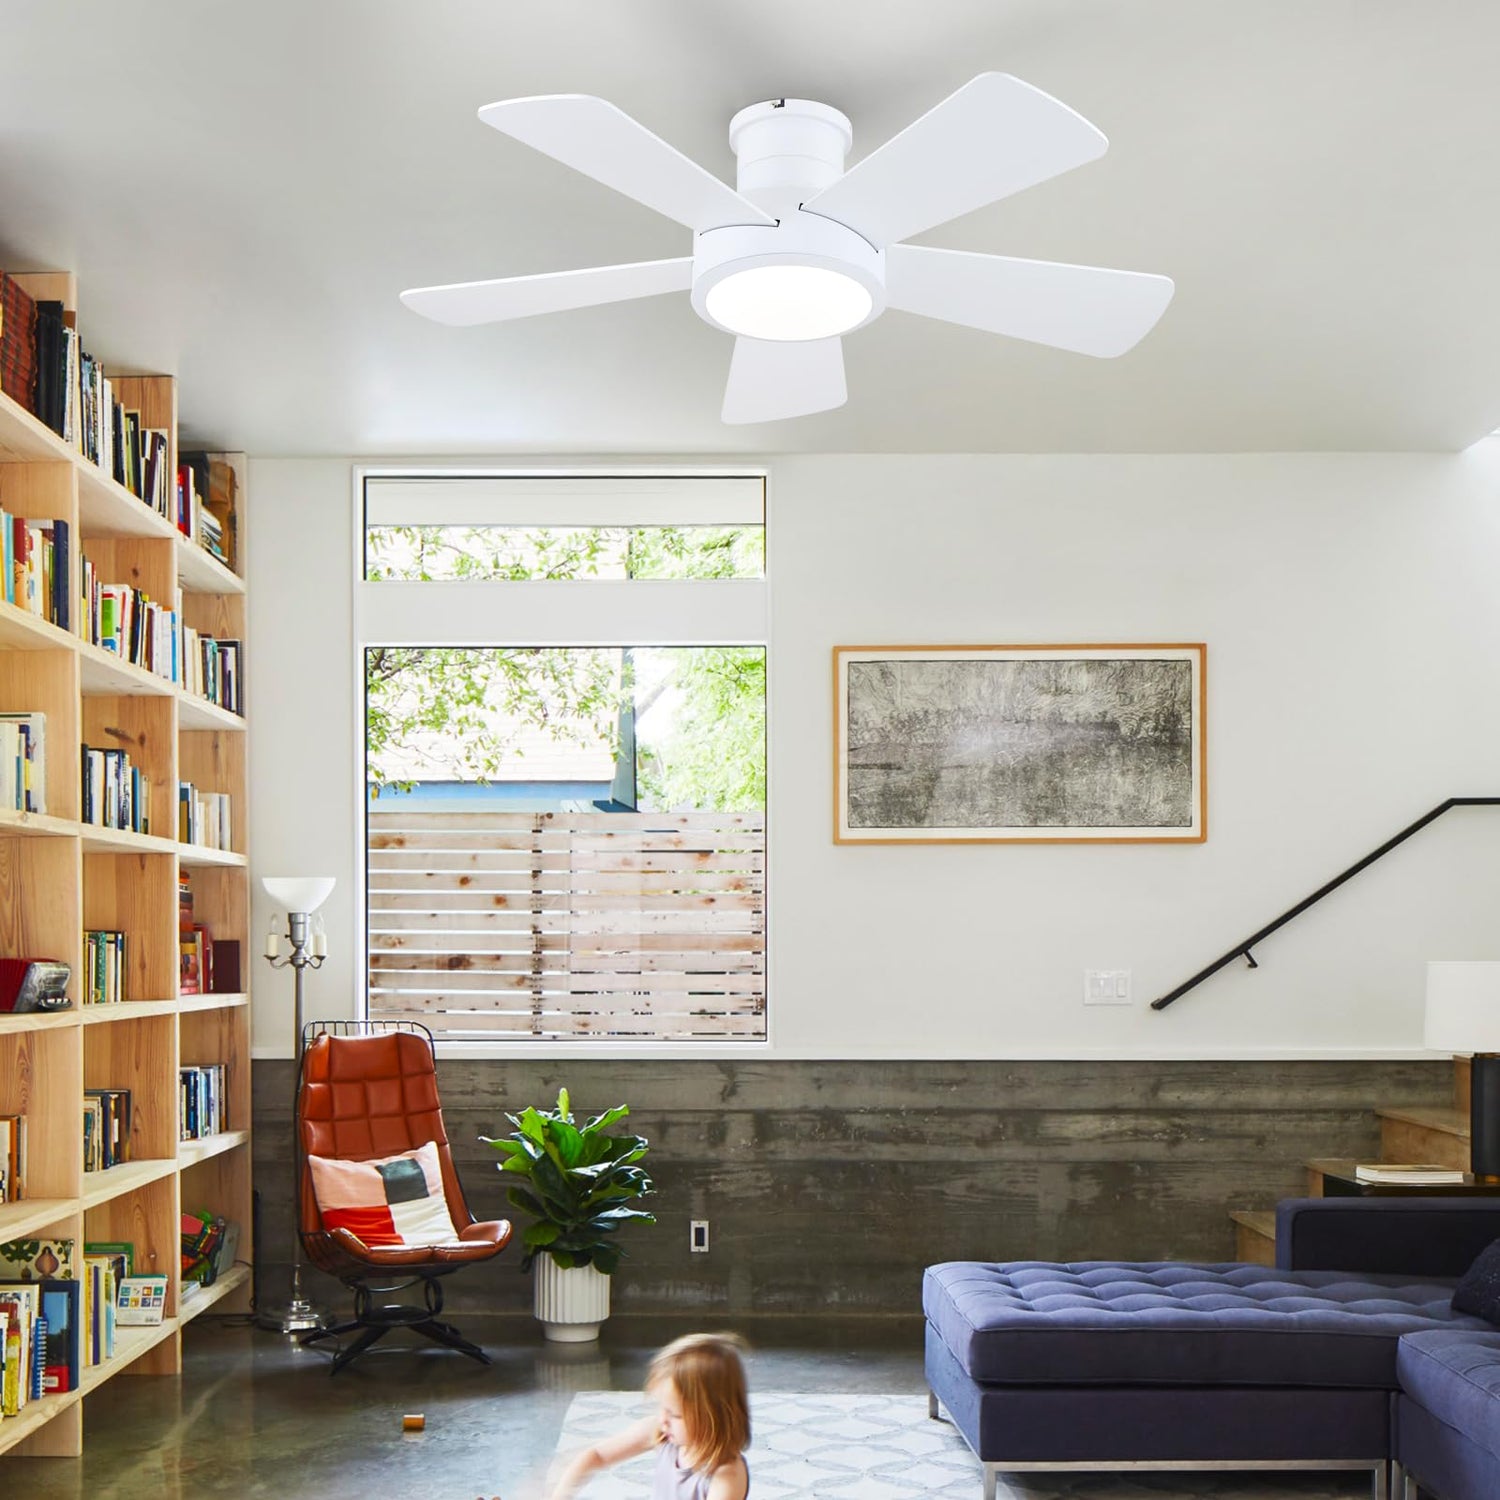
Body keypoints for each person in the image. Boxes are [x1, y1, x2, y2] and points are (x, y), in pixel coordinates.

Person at [545, 1332, 751, 1500]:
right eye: (662, 1407)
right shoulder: (663, 1434)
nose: (663, 1420)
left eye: (674, 1414)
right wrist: (561, 1495)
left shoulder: (726, 1476)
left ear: (712, 1415)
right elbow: (597, 1455)